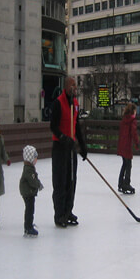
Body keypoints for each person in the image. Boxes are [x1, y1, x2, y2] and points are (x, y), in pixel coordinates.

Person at [50, 77, 88, 228]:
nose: (75, 88)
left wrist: (83, 146)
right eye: (72, 85)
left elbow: (76, 125)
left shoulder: (75, 104)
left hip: (71, 147)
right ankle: (59, 214)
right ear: (66, 87)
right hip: (60, 147)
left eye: (75, 86)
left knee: (72, 181)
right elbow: (53, 126)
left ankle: (68, 210)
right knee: (60, 182)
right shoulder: (58, 103)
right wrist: (63, 137)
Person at [19, 145, 43, 238]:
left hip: (29, 192)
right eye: (35, 158)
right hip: (28, 193)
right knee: (30, 210)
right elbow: (32, 181)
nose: (36, 159)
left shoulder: (29, 168)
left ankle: (28, 226)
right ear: (30, 158)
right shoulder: (29, 170)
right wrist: (38, 185)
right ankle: (28, 228)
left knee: (30, 210)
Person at [117, 103, 139, 194]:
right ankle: (126, 183)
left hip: (122, 144)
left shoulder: (124, 120)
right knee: (128, 165)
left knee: (124, 164)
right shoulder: (132, 120)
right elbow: (133, 132)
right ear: (133, 111)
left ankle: (120, 183)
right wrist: (137, 143)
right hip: (127, 145)